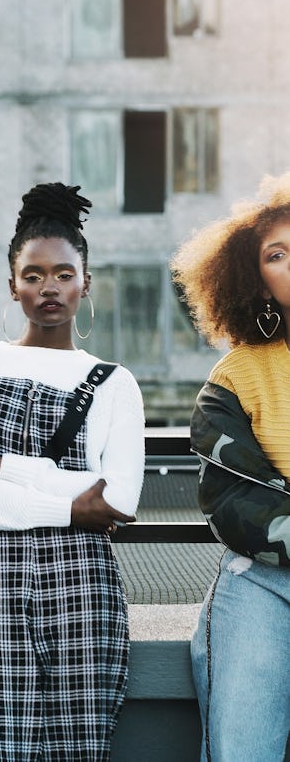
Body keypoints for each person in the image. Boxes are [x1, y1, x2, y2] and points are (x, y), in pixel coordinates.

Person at [0, 182, 145, 760]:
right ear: (12, 284)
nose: (48, 287)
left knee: (81, 746)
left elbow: (119, 501)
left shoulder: (114, 381)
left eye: (63, 274)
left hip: (83, 586)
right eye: (33, 275)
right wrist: (71, 500)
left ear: (85, 283)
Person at [171, 174, 290, 762]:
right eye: (277, 254)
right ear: (257, 282)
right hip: (263, 584)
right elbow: (234, 498)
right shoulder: (235, 377)